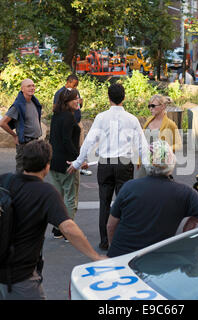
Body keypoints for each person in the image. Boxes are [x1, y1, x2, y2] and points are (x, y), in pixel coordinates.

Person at [0, 140, 106, 300]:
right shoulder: (46, 193)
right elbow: (68, 228)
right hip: (19, 277)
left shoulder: (4, 180)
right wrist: (95, 256)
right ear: (47, 166)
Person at [106, 140, 198, 258]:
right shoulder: (183, 193)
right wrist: (194, 219)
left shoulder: (129, 187)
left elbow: (111, 225)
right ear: (171, 162)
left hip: (121, 257)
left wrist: (112, 248)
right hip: (154, 263)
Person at [67, 83, 150, 251]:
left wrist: (77, 163)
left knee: (104, 202)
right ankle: (121, 238)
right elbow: (142, 146)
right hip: (124, 163)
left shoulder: (101, 117)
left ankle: (105, 241)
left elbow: (89, 141)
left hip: (105, 163)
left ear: (108, 98)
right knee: (124, 202)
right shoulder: (132, 119)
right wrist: (150, 168)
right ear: (124, 98)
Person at [49, 88, 88, 239]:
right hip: (67, 163)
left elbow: (53, 139)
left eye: (78, 98)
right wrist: (79, 159)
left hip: (54, 162)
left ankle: (58, 228)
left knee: (58, 197)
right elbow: (67, 141)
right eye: (74, 99)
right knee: (71, 197)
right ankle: (67, 230)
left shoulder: (56, 116)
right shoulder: (69, 118)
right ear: (67, 102)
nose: (77, 101)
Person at [0, 79, 42, 173]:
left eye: (33, 85)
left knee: (33, 171)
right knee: (21, 171)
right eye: (29, 86)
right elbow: (2, 123)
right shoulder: (18, 105)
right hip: (25, 143)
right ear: (22, 89)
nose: (32, 88)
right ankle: (17, 187)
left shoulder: (34, 102)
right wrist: (14, 135)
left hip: (35, 142)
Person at [135, 94, 182, 178]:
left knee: (156, 189)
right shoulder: (148, 120)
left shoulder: (170, 124)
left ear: (163, 106)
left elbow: (179, 145)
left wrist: (163, 149)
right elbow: (142, 141)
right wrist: (139, 160)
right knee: (141, 189)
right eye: (149, 106)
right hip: (144, 164)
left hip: (159, 166)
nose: (150, 109)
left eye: (153, 106)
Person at [53, 75, 91, 176]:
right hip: (63, 164)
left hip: (77, 121)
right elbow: (66, 141)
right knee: (71, 143)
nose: (75, 87)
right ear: (68, 82)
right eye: (74, 85)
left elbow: (78, 106)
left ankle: (79, 165)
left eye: (77, 85)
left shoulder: (75, 92)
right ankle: (77, 164)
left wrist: (80, 104)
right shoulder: (60, 93)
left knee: (80, 144)